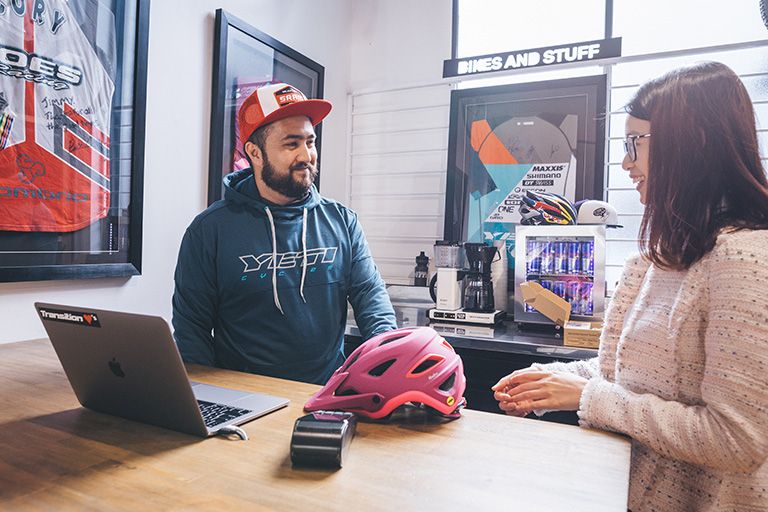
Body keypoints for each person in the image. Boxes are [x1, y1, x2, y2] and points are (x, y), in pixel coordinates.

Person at [493, 62, 768, 511]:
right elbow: (617, 372)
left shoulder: (745, 259)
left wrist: (585, 395)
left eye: (633, 145)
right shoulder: (653, 259)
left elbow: (735, 439)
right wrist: (553, 381)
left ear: (691, 145)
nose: (625, 163)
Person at [172, 83, 396, 385]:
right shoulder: (209, 231)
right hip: (245, 403)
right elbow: (191, 330)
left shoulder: (342, 221)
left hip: (326, 396)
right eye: (292, 144)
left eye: (310, 142)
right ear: (255, 152)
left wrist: (390, 358)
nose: (307, 155)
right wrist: (209, 401)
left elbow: (371, 299)